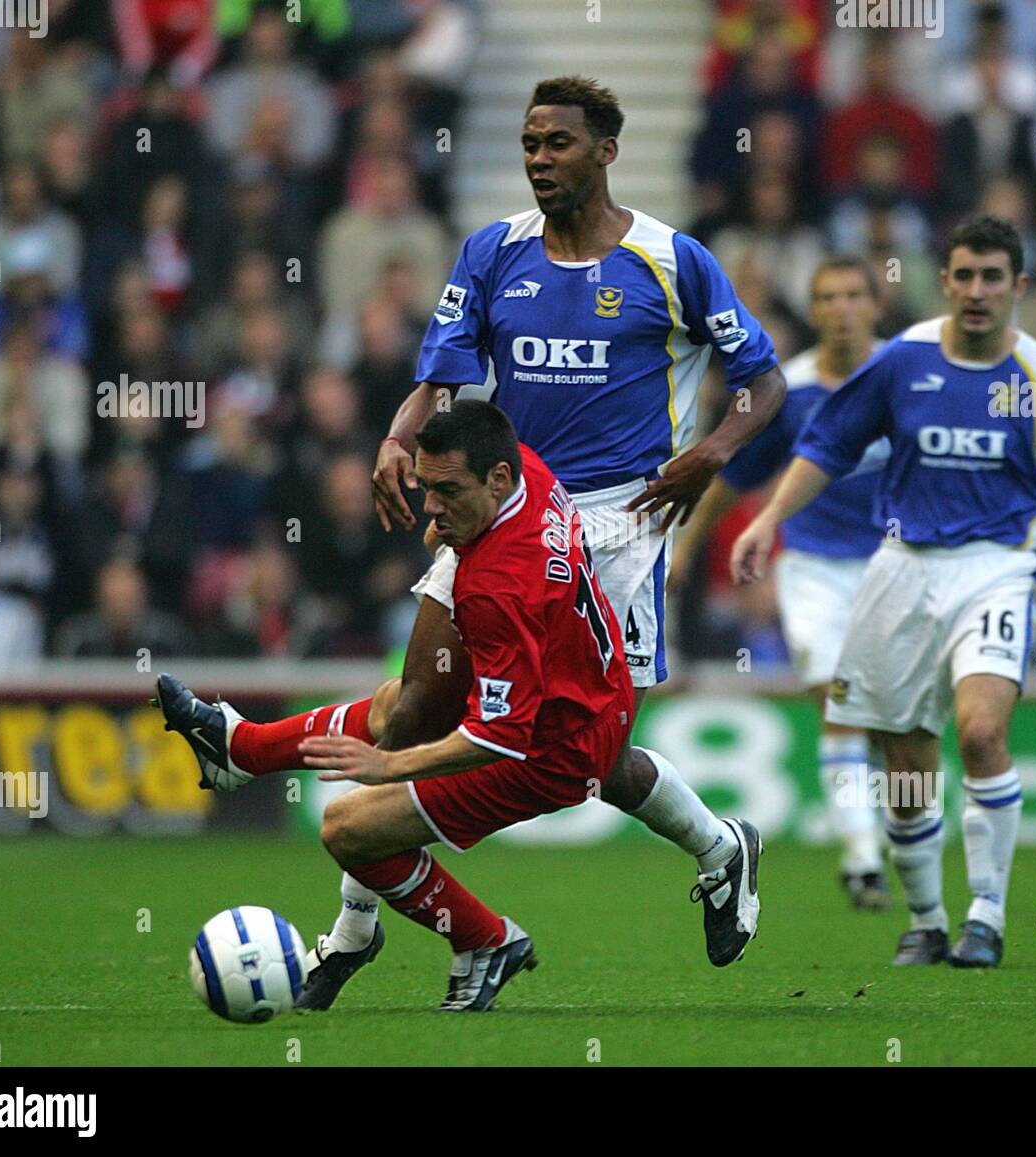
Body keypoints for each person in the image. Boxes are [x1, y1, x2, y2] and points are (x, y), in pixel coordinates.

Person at [349, 76, 783, 980]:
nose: (540, 160)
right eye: (530, 143)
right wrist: (397, 435)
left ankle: (718, 848)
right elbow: (440, 378)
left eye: (558, 144)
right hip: (504, 508)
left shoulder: (674, 260)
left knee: (588, 751)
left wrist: (711, 454)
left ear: (606, 151)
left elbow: (764, 382)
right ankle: (357, 918)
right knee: (419, 693)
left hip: (621, 520)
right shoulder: (494, 251)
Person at [157, 403, 757, 1011]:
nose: (432, 507)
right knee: (402, 706)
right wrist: (448, 515)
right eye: (427, 488)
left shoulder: (497, 591)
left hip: (550, 754)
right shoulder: (530, 472)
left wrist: (388, 769)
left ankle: (485, 941)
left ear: (495, 480)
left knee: (349, 828)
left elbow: (499, 734)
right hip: (588, 695)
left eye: (447, 492)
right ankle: (242, 750)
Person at [731, 217, 1036, 968]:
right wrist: (770, 520)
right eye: (965, 276)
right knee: (906, 761)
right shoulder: (905, 361)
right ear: (945, 282)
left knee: (979, 734)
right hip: (903, 566)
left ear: (1019, 287)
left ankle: (987, 913)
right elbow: (827, 445)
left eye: (993, 278)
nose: (978, 292)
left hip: (997, 567)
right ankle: (927, 917)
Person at [673, 256, 891, 909]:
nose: (843, 308)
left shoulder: (907, 376)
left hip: (896, 566)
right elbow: (737, 476)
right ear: (814, 309)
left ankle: (895, 836)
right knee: (838, 701)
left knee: (893, 718)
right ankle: (861, 855)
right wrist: (686, 548)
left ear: (875, 305)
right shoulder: (789, 392)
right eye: (829, 297)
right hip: (815, 565)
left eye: (855, 295)